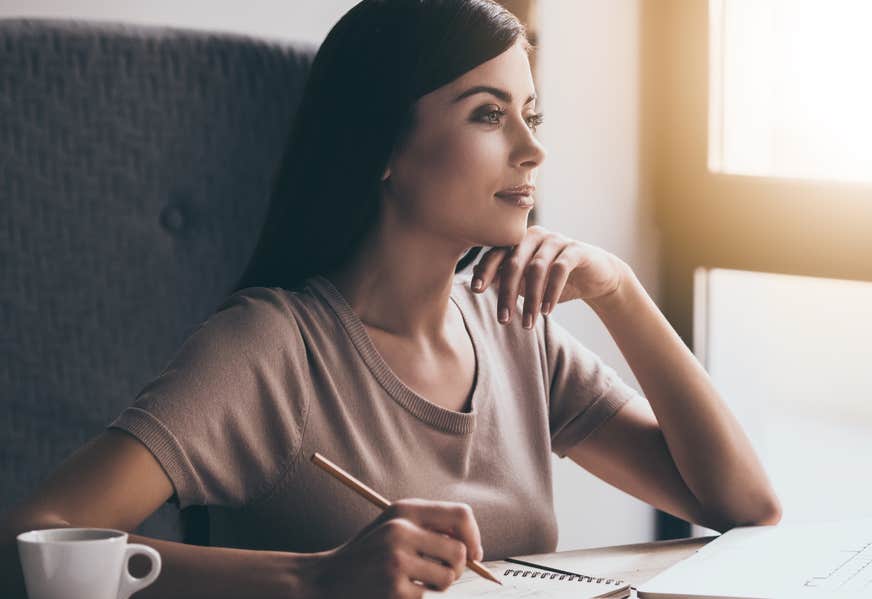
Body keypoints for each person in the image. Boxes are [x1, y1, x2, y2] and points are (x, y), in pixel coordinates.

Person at [0, 1, 781, 597]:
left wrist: (620, 291)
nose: (533, 148)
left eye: (530, 114)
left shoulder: (516, 330)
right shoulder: (270, 350)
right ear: (383, 149)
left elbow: (743, 505)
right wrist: (318, 579)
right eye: (488, 113)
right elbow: (31, 537)